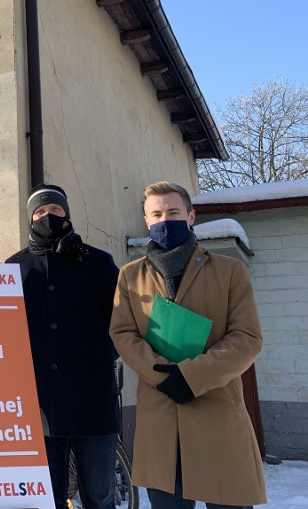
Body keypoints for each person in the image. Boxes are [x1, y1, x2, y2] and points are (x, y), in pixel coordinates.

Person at [110, 181, 266, 508]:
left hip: (217, 415)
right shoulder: (129, 276)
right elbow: (123, 333)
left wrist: (192, 376)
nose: (165, 220)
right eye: (157, 214)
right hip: (161, 420)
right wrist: (164, 376)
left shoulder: (230, 271)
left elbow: (247, 338)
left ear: (191, 216)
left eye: (173, 212)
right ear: (147, 220)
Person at [6, 184, 120, 509]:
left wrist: (96, 362)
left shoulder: (98, 264)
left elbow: (122, 324)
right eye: (40, 212)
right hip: (37, 409)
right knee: (48, 500)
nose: (48, 216)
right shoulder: (12, 269)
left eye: (55, 210)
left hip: (93, 404)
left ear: (67, 214)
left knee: (99, 497)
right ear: (30, 218)